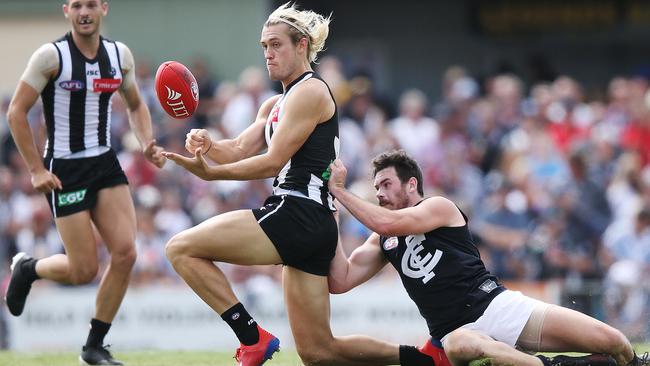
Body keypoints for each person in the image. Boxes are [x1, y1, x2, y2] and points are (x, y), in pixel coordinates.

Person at [162, 3, 445, 366]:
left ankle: (252, 338)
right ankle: (428, 360)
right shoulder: (274, 103)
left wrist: (211, 174)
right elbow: (236, 149)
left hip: (298, 212)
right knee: (318, 352)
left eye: (276, 44)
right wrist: (207, 144)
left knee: (180, 248)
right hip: (312, 222)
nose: (268, 53)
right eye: (264, 45)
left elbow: (272, 161)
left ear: (303, 45)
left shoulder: (310, 92)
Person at [327, 149, 649, 366]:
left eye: (386, 184)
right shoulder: (382, 239)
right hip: (454, 332)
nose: (379, 193)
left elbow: (387, 222)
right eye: (376, 187)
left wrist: (340, 192)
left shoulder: (437, 207)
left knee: (615, 342)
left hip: (497, 306)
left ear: (411, 184)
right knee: (461, 345)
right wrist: (328, 209)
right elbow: (340, 280)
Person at [4, 0, 165, 365]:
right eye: (77, 5)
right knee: (83, 270)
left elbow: (137, 104)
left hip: (104, 162)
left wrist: (146, 143)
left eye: (91, 4)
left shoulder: (118, 55)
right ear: (67, 11)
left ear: (103, 8)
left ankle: (94, 346)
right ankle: (28, 269)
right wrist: (35, 170)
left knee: (125, 253)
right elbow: (16, 112)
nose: (84, 12)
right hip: (65, 169)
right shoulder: (51, 57)